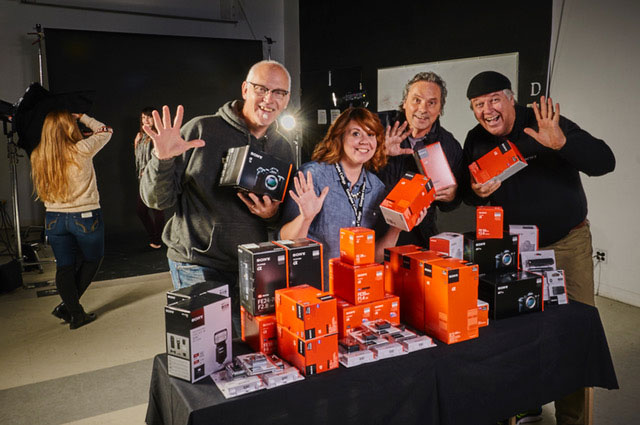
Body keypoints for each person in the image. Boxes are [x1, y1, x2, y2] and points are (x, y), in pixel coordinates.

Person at [462, 71, 615, 425]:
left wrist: (562, 143)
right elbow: (470, 188)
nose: (487, 110)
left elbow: (605, 161)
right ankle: (525, 402)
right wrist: (476, 193)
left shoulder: (545, 122)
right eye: (478, 105)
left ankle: (573, 419)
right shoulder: (475, 140)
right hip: (512, 253)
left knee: (574, 331)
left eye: (494, 100)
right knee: (515, 338)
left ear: (510, 98)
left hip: (566, 244)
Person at [140, 60, 294, 333]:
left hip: (250, 265)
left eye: (279, 92)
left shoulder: (282, 148)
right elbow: (156, 200)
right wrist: (162, 160)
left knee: (247, 349)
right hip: (197, 262)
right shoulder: (201, 130)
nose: (269, 99)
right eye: (261, 89)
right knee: (209, 352)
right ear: (245, 89)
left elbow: (280, 216)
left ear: (286, 99)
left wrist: (271, 215)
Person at [280, 107, 421, 286]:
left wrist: (398, 228)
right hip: (313, 290)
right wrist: (305, 218)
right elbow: (285, 241)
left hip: (355, 290)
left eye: (371, 135)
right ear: (339, 137)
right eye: (356, 133)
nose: (365, 141)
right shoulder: (312, 176)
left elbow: (375, 257)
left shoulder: (376, 187)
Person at [30, 110, 113, 329]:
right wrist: (84, 117)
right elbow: (105, 131)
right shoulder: (82, 149)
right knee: (93, 260)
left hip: (54, 218)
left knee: (64, 267)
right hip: (85, 216)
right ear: (69, 127)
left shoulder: (38, 154)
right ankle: (71, 309)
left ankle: (73, 311)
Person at [378, 71, 464, 246]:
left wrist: (451, 196)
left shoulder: (449, 145)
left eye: (432, 103)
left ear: (440, 109)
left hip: (419, 235)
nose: (423, 109)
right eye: (416, 100)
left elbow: (452, 203)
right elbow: (344, 167)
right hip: (373, 229)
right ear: (404, 103)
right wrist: (379, 152)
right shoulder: (377, 127)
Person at [134, 107, 164, 249]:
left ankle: (157, 240)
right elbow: (138, 158)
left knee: (156, 208)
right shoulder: (140, 137)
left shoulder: (158, 135)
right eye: (143, 118)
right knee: (141, 210)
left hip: (155, 177)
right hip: (143, 179)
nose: (145, 120)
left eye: (148, 117)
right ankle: (155, 237)